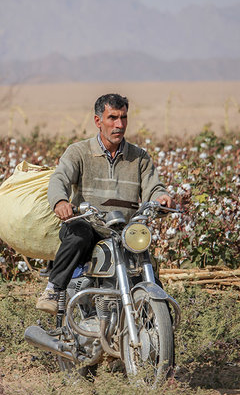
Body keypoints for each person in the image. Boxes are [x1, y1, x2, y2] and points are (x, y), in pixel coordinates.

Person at [36, 93, 174, 314]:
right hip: (88, 225)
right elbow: (59, 179)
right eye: (112, 118)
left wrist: (161, 197)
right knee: (79, 233)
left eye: (123, 118)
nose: (119, 125)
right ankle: (53, 289)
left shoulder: (139, 157)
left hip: (123, 232)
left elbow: (153, 187)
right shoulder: (78, 152)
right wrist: (61, 201)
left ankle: (157, 325)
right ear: (98, 121)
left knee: (148, 270)